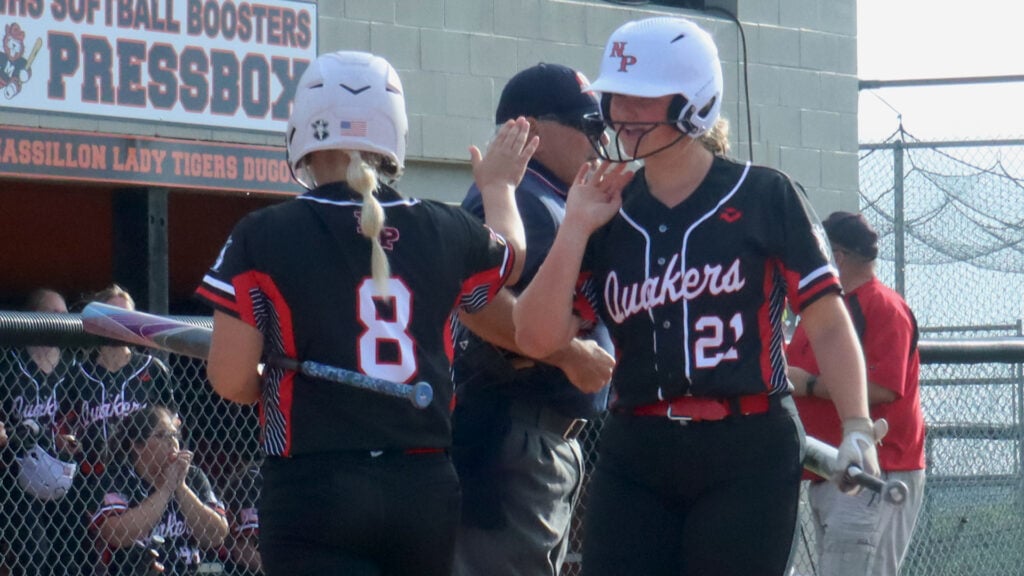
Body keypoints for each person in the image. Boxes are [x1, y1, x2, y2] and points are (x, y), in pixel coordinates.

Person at [512, 17, 884, 576]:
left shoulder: (764, 194)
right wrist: (574, 227)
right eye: (617, 95)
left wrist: (855, 423)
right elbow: (535, 336)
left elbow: (827, 321)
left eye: (642, 96)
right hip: (638, 445)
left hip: (747, 446)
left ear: (695, 99)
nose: (622, 110)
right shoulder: (606, 207)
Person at [194, 50, 534, 575]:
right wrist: (499, 187)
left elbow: (230, 378)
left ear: (303, 132)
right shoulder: (446, 228)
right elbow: (509, 257)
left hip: (313, 486)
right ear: (393, 135)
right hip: (423, 489)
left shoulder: (262, 235)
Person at [449, 62, 615, 576]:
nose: (600, 137)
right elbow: (473, 300)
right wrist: (569, 354)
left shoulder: (555, 197)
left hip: (537, 436)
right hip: (512, 432)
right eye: (587, 125)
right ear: (531, 130)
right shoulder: (520, 196)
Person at [787, 211, 926, 576]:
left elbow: (884, 387)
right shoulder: (826, 308)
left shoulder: (881, 305)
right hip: (832, 471)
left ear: (837, 255)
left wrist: (811, 385)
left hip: (875, 471)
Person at [67, 284, 175, 575]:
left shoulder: (152, 369)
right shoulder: (78, 374)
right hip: (90, 485)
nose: (121, 323)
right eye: (114, 314)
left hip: (140, 483)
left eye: (127, 316)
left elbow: (173, 425)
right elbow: (63, 423)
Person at [91, 404, 228, 575]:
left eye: (174, 435)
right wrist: (165, 490)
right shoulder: (120, 477)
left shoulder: (192, 476)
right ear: (137, 446)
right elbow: (116, 534)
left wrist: (181, 487)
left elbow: (216, 534)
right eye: (161, 435)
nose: (172, 443)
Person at [0, 288, 80, 576]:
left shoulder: (73, 366)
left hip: (62, 471)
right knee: (34, 554)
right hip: (15, 472)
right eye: (53, 314)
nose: (61, 320)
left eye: (64, 314)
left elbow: (80, 417)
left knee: (71, 551)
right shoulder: (9, 363)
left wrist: (69, 437)